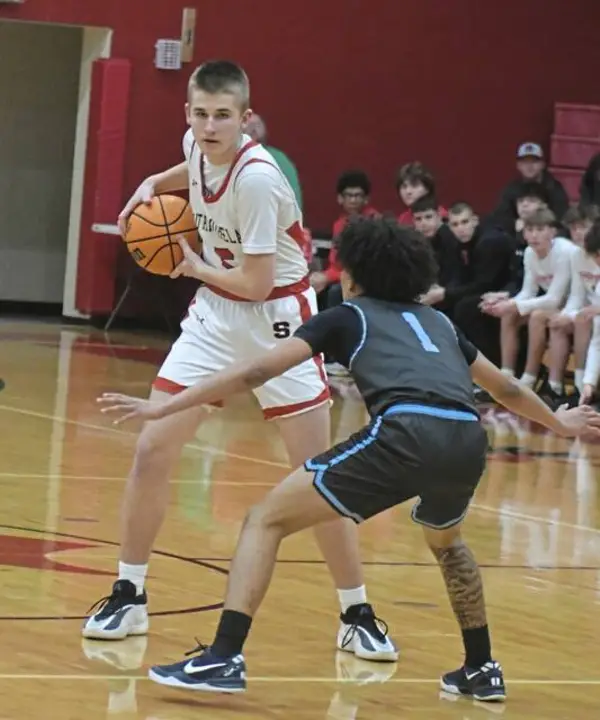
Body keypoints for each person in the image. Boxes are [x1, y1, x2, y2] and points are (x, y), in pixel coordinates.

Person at [99, 216, 600, 703]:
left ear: (355, 275)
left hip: (406, 430)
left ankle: (223, 656)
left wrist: (165, 406)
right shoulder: (440, 322)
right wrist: (559, 423)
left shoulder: (348, 314)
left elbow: (255, 372)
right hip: (468, 438)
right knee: (448, 544)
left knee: (265, 520)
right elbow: (506, 388)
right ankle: (482, 667)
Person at [83, 60, 398, 663]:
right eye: (200, 115)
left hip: (277, 318)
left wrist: (192, 265)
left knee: (319, 476)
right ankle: (129, 592)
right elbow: (193, 167)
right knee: (153, 449)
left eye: (222, 116)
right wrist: (153, 183)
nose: (209, 127)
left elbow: (255, 284)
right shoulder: (196, 143)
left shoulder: (257, 181)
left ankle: (356, 612)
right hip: (215, 316)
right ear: (188, 113)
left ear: (245, 118)